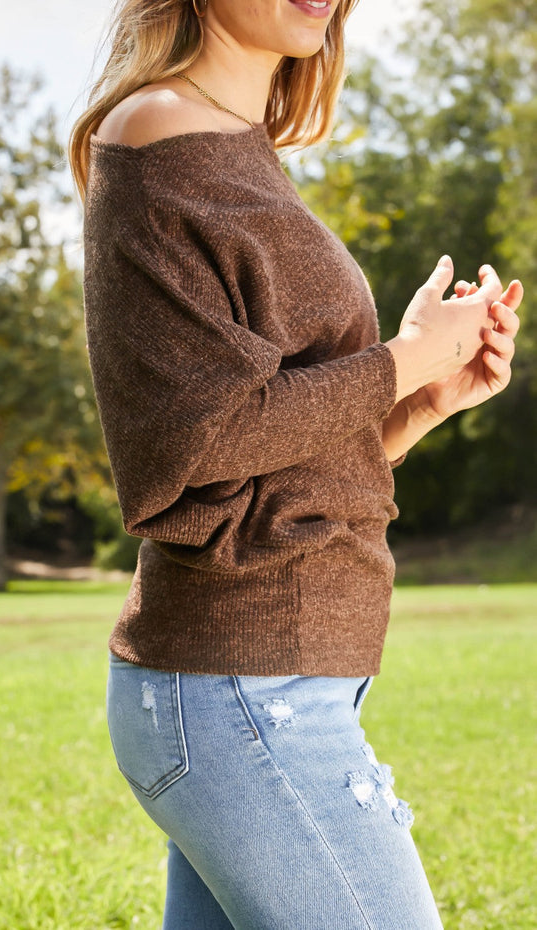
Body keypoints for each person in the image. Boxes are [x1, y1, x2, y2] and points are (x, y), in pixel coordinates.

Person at [69, 1, 523, 926]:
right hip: (246, 690)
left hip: (272, 685)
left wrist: (421, 399)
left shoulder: (240, 147)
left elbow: (274, 469)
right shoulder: (157, 142)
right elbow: (193, 445)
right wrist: (402, 359)